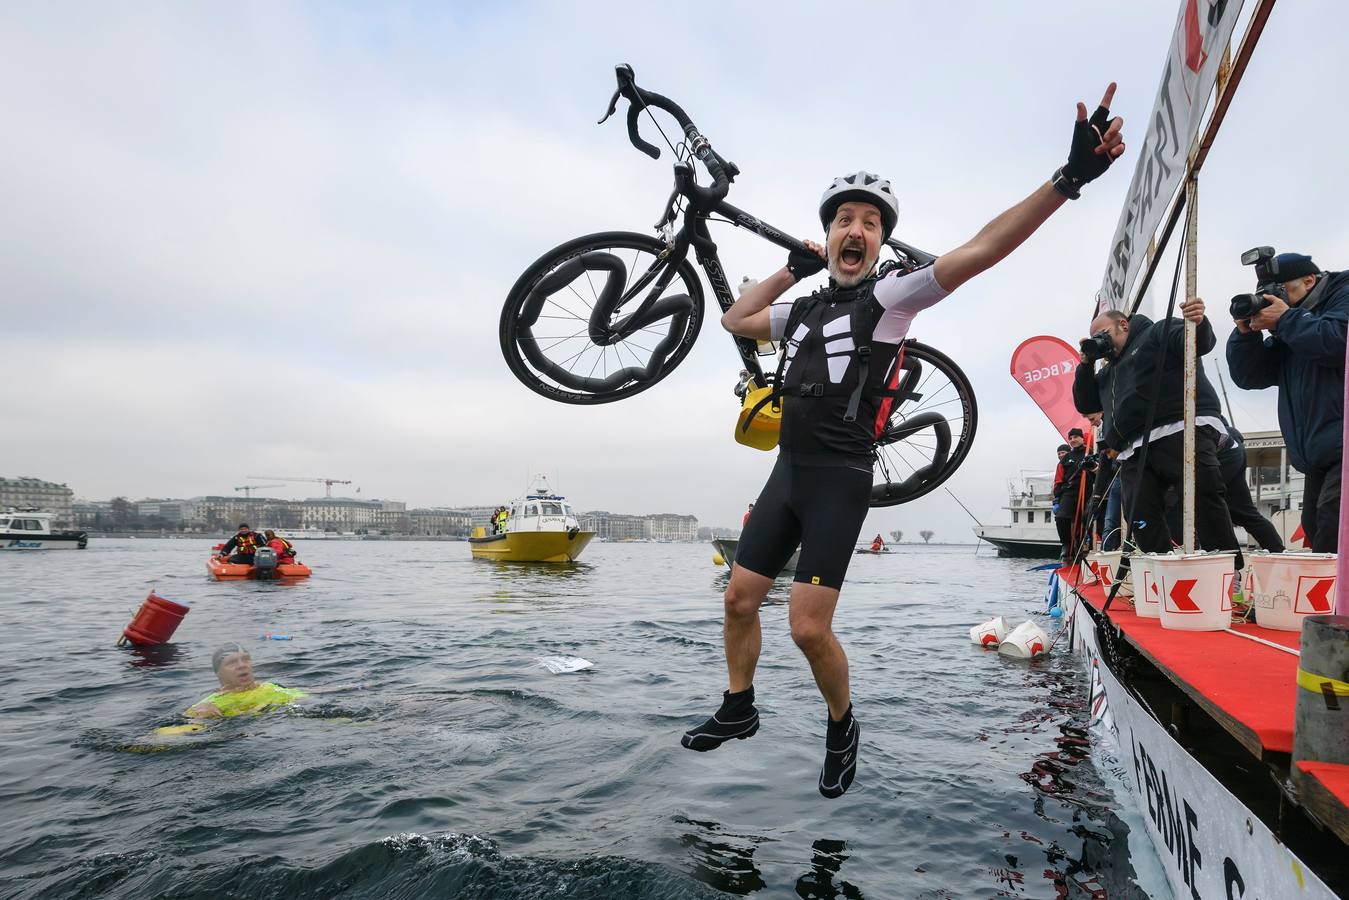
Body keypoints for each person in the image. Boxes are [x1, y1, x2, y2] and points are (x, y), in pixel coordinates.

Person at [683, 85, 1126, 798]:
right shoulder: (800, 308)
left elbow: (983, 249)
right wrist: (786, 271)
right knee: (738, 600)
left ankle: (840, 724)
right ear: (826, 236)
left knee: (803, 628)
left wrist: (1066, 181)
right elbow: (736, 319)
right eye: (842, 221)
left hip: (839, 477)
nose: (854, 230)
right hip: (785, 472)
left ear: (881, 241)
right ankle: (738, 708)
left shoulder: (889, 299)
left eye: (868, 222)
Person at [1073, 300, 1241, 558]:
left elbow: (1197, 343)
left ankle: (1228, 569)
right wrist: (1085, 364)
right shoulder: (1108, 373)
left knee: (1201, 497)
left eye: (1104, 334)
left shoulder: (1157, 332)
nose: (1101, 341)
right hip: (1134, 447)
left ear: (1123, 324)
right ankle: (1161, 564)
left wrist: (1198, 323)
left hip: (1179, 427)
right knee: (1138, 513)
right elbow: (1086, 403)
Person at [1226, 252, 1347, 552]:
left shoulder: (1342, 296)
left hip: (1342, 443)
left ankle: (1334, 599)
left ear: (1310, 280)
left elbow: (1336, 342)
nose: (1274, 300)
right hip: (1318, 453)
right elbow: (1250, 376)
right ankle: (1331, 599)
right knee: (1316, 525)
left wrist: (1286, 320)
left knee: (1333, 529)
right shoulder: (1293, 325)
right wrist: (1245, 333)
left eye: (1281, 291)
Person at [186, 643, 307, 718]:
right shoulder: (210, 706)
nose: (242, 665)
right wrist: (201, 717)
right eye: (232, 662)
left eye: (246, 659)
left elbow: (310, 696)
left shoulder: (272, 686)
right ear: (218, 673)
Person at [1052, 428, 1096, 562]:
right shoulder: (1066, 458)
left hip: (1087, 492)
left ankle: (1082, 550)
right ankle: (1066, 544)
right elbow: (1058, 480)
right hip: (1069, 492)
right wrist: (1057, 499)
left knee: (1084, 521)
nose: (1073, 440)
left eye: (1076, 437)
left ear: (1083, 438)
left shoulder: (1091, 453)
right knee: (1061, 517)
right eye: (1070, 438)